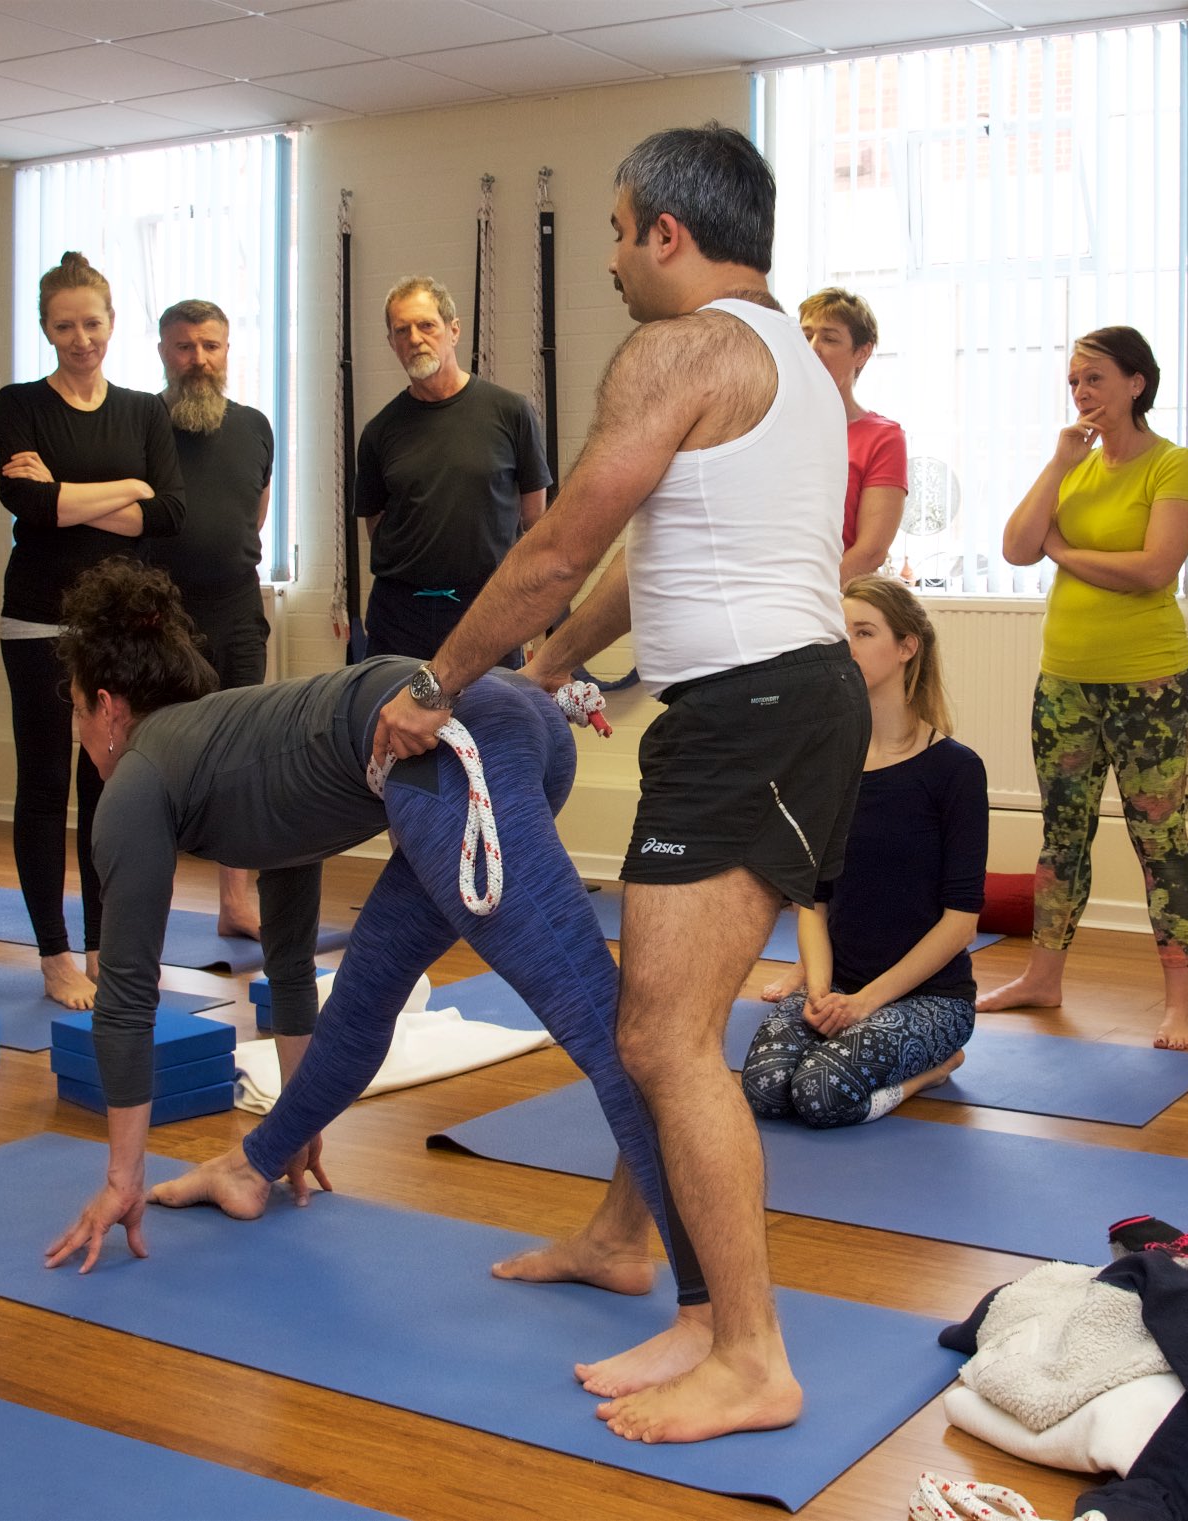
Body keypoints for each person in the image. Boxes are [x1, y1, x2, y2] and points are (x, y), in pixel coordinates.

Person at [372, 123, 870, 1444]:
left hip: (753, 717)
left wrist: (437, 684)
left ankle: (750, 1350)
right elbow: (643, 564)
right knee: (671, 1021)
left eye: (614, 227)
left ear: (668, 233)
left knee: (660, 1036)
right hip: (779, 708)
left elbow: (551, 545)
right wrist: (542, 665)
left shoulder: (677, 348)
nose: (607, 256)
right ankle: (626, 1243)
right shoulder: (795, 366)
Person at [44, 561, 696, 1360]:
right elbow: (288, 962)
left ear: (108, 709)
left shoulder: (140, 782)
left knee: (610, 1031)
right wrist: (292, 1127)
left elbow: (126, 996)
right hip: (499, 729)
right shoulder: (231, 743)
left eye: (76, 711)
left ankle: (712, 1318)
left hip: (459, 748)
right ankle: (251, 1166)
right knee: (365, 993)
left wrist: (121, 1178)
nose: (80, 732)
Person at [978, 326, 1188, 1051]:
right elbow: (1017, 548)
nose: (1081, 393)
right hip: (1065, 683)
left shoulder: (1176, 466)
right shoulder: (1072, 466)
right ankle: (1043, 978)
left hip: (1148, 683)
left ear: (1136, 383)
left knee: (1158, 839)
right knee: (1062, 837)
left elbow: (1153, 569)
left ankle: (1181, 1006)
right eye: (1074, 381)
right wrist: (1056, 464)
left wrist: (1067, 552)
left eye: (1096, 379)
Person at [0, 252, 184, 1010]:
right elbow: (27, 508)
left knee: (110, 789)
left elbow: (169, 512)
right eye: (65, 326)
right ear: (46, 328)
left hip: (117, 626)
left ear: (113, 322)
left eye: (92, 323)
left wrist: (68, 492)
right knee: (44, 786)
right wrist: (127, 489)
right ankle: (53, 954)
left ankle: (105, 943)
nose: (81, 338)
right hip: (37, 620)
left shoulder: (143, 411)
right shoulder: (20, 403)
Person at [742, 576, 986, 1126]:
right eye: (839, 632)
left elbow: (961, 923)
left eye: (864, 631)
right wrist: (823, 990)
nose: (846, 645)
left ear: (906, 648)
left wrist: (865, 1002)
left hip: (930, 1000)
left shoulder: (956, 771)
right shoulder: (826, 766)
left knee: (820, 1097)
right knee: (763, 1090)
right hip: (841, 987)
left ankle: (937, 1065)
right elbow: (813, 901)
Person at [147, 298, 274, 940]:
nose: (198, 360)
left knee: (243, 755)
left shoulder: (255, 426)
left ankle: (234, 902)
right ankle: (148, 907)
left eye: (211, 346)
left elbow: (251, 514)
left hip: (237, 611)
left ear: (228, 351)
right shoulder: (140, 424)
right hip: (159, 615)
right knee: (157, 757)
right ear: (164, 351)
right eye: (184, 347)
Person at [353, 276, 550, 668]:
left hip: (485, 610)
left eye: (427, 325)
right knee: (394, 728)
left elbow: (535, 520)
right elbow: (376, 525)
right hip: (399, 618)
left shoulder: (511, 413)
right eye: (401, 330)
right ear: (392, 343)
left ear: (453, 330)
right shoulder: (379, 431)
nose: (414, 338)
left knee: (491, 725)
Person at [798, 287, 907, 586]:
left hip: (831, 603)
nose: (813, 347)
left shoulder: (883, 437)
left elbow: (871, 552)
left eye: (830, 338)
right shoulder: (771, 424)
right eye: (805, 336)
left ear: (862, 352)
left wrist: (811, 596)